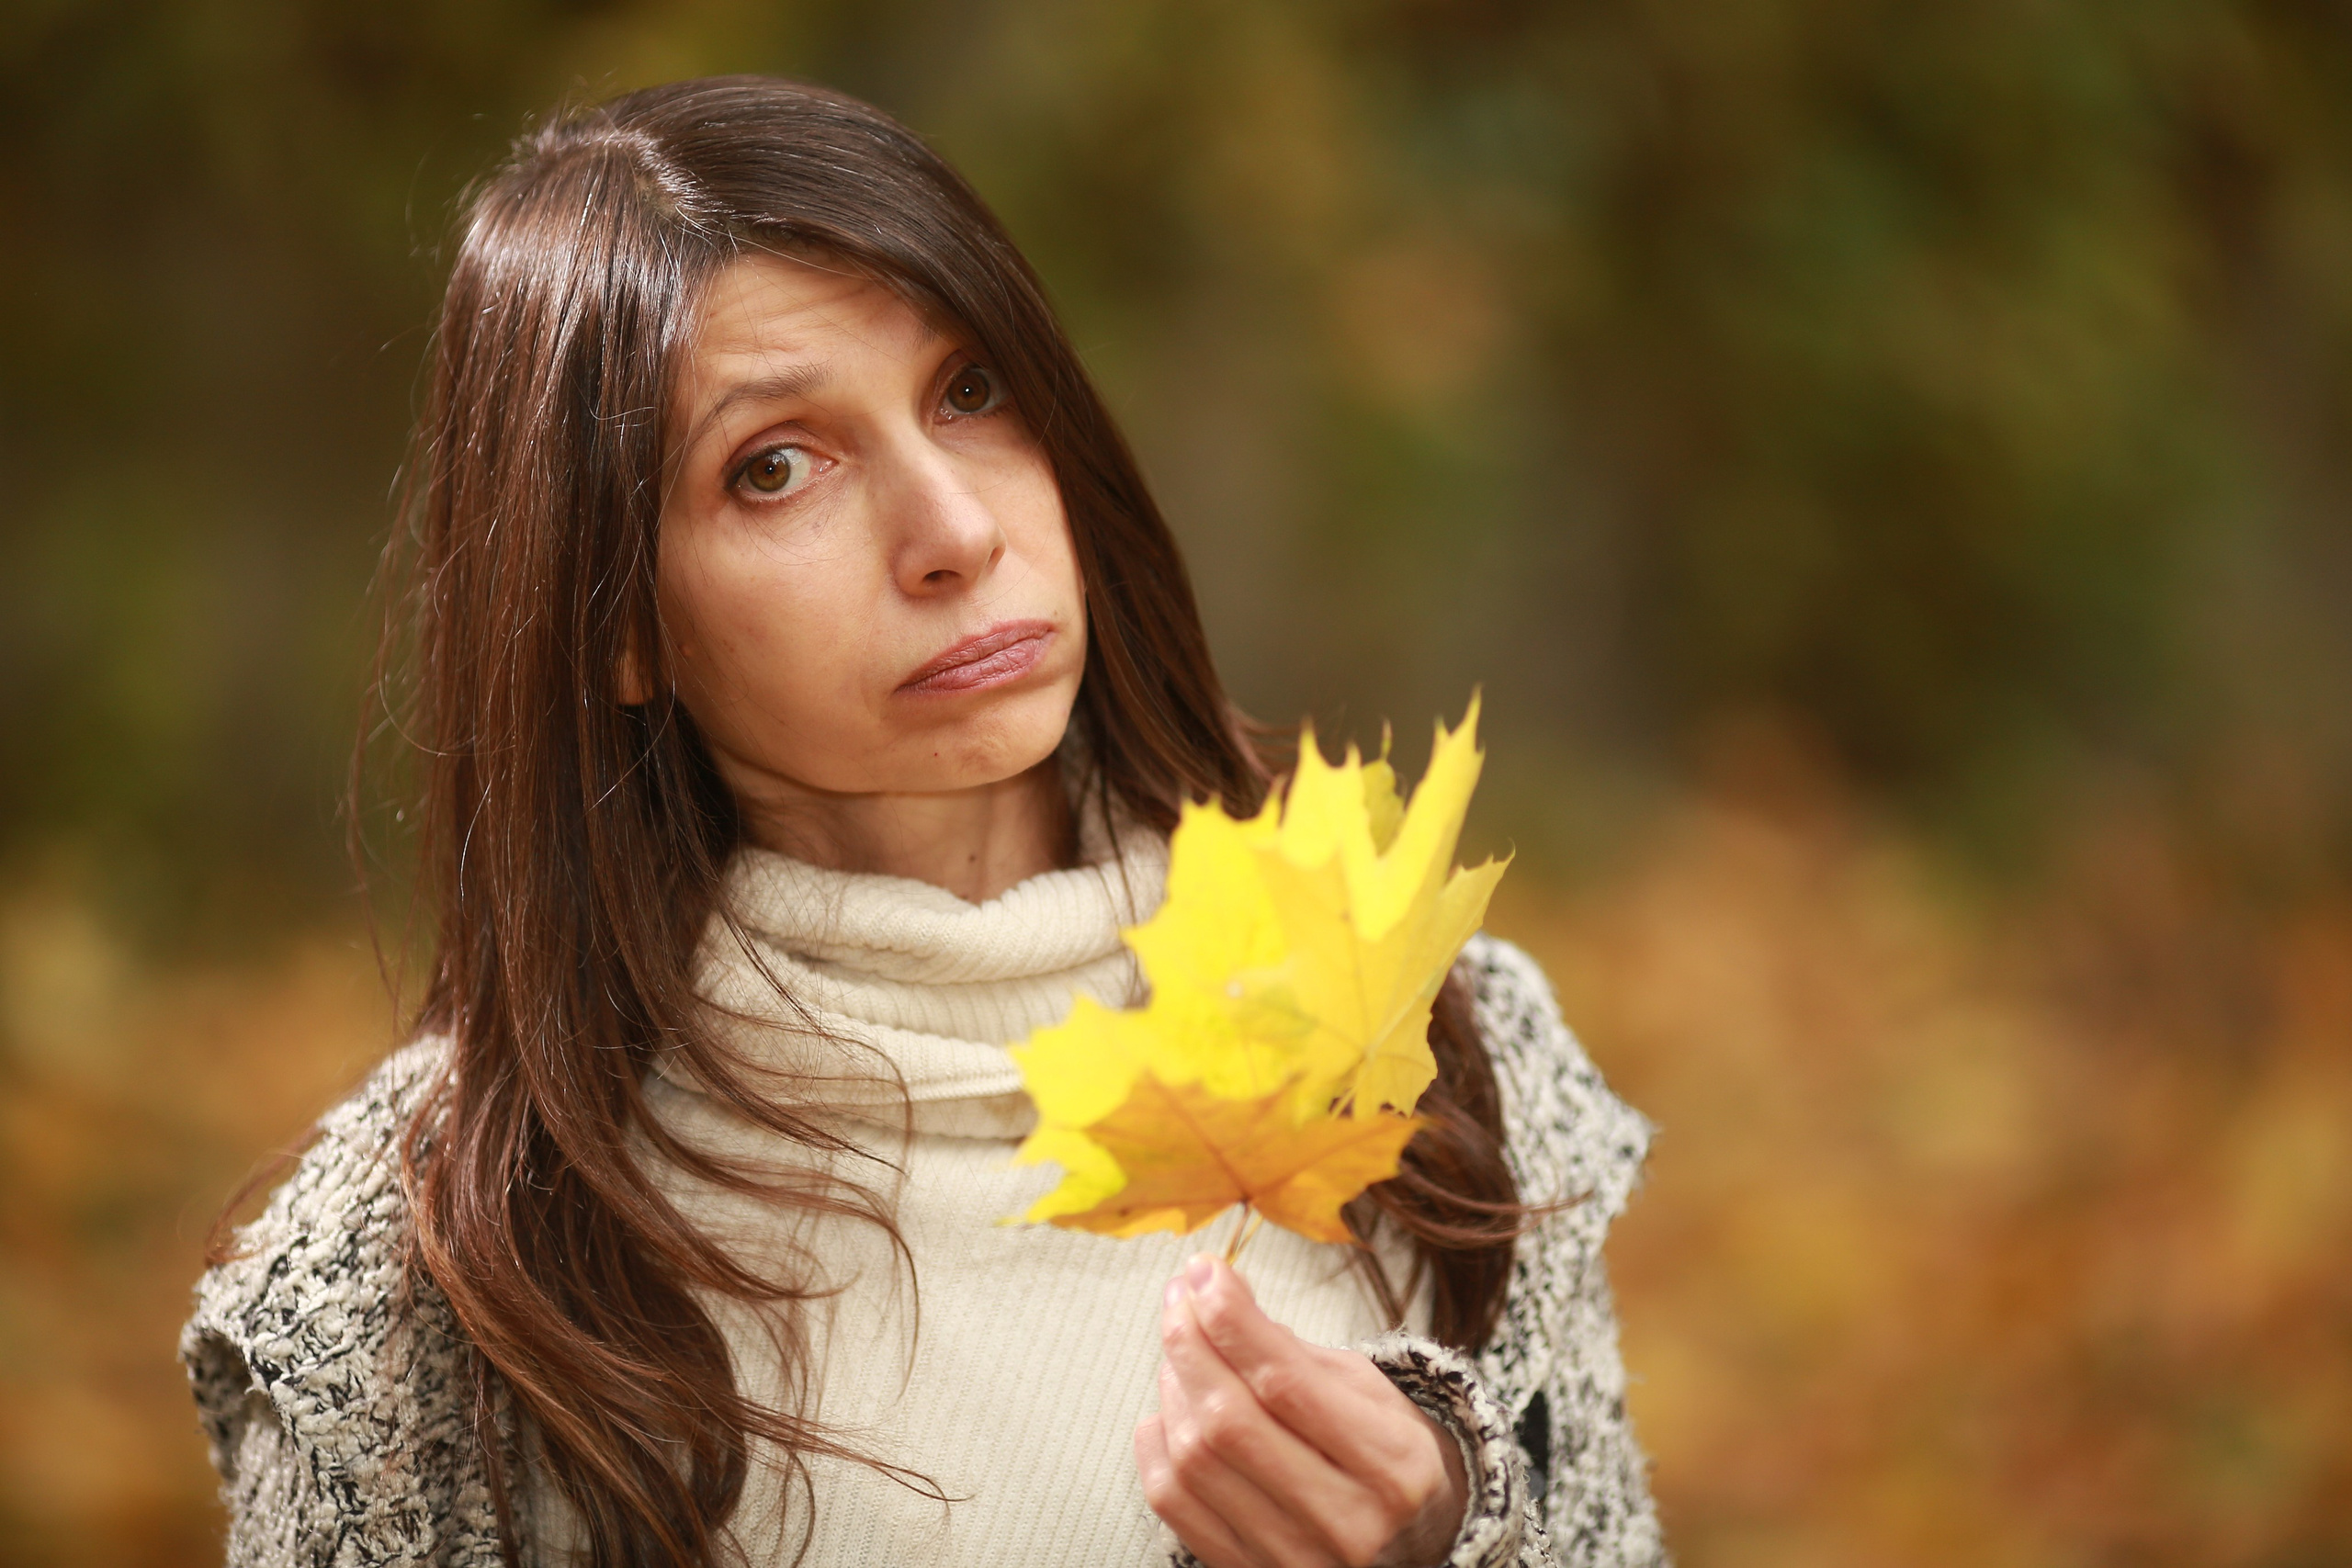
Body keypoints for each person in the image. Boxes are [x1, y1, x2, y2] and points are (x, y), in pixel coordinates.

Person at [180, 76, 1666, 1568]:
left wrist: (1457, 1540)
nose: (955, 532)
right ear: (615, 623)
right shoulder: (440, 1264)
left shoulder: (1432, 1030)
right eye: (775, 468)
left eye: (973, 391)